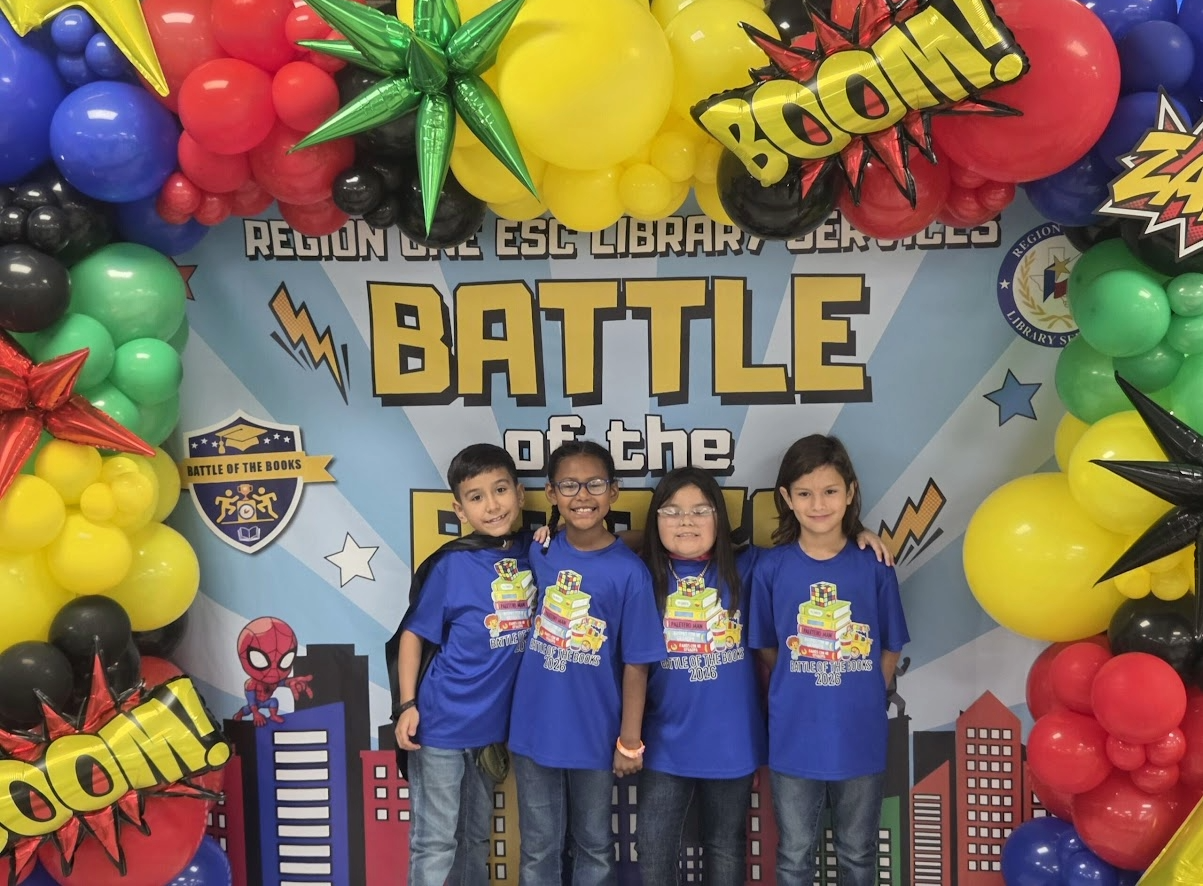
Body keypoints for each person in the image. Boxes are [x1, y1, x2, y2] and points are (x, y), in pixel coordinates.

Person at [748, 434, 909, 886]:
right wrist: (801, 671)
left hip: (859, 734)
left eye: (830, 491)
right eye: (804, 493)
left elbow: (891, 644)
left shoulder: (874, 565)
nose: (818, 504)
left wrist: (869, 691)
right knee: (794, 854)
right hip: (793, 734)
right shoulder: (771, 568)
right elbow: (766, 644)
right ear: (786, 498)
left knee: (858, 852)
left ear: (850, 492)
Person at [507, 440, 665, 886]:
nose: (582, 495)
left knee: (595, 845)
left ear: (613, 491)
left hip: (596, 731)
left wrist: (629, 741)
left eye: (594, 484)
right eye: (569, 485)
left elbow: (637, 663)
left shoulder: (630, 573)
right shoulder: (538, 551)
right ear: (551, 493)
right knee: (539, 847)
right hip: (533, 727)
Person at [391, 443, 534, 886]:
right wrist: (407, 705)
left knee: (474, 838)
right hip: (441, 724)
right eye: (476, 496)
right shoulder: (452, 565)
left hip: (490, 730)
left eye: (501, 490)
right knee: (435, 841)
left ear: (520, 494)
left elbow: (599, 547)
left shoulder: (537, 553)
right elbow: (413, 635)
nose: (492, 505)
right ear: (460, 509)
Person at [636, 467, 767, 886]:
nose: (686, 521)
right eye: (672, 511)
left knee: (725, 845)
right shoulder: (640, 574)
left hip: (732, 739)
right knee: (653, 847)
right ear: (655, 520)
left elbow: (814, 549)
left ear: (719, 518)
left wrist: (859, 534)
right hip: (663, 740)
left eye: (700, 510)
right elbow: (597, 550)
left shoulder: (748, 568)